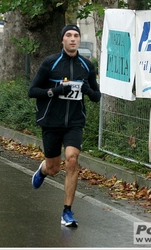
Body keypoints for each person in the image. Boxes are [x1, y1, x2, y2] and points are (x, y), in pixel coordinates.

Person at [28, 24, 101, 227]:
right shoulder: (50, 63)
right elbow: (32, 91)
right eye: (68, 35)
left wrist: (87, 90)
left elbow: (97, 96)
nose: (72, 39)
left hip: (74, 123)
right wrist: (54, 91)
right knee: (54, 168)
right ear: (62, 40)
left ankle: (67, 212)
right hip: (51, 121)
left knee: (72, 160)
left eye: (76, 36)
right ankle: (42, 170)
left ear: (79, 40)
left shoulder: (87, 66)